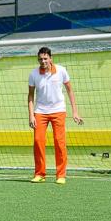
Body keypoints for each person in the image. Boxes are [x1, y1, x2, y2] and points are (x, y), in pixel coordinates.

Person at [27, 46, 82, 184]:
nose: (43, 61)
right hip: (40, 112)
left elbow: (70, 91)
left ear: (51, 58)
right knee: (38, 142)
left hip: (58, 111)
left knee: (59, 142)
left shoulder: (62, 71)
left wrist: (75, 111)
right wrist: (31, 115)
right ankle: (40, 174)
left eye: (45, 58)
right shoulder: (33, 74)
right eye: (40, 59)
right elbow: (30, 96)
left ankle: (61, 175)